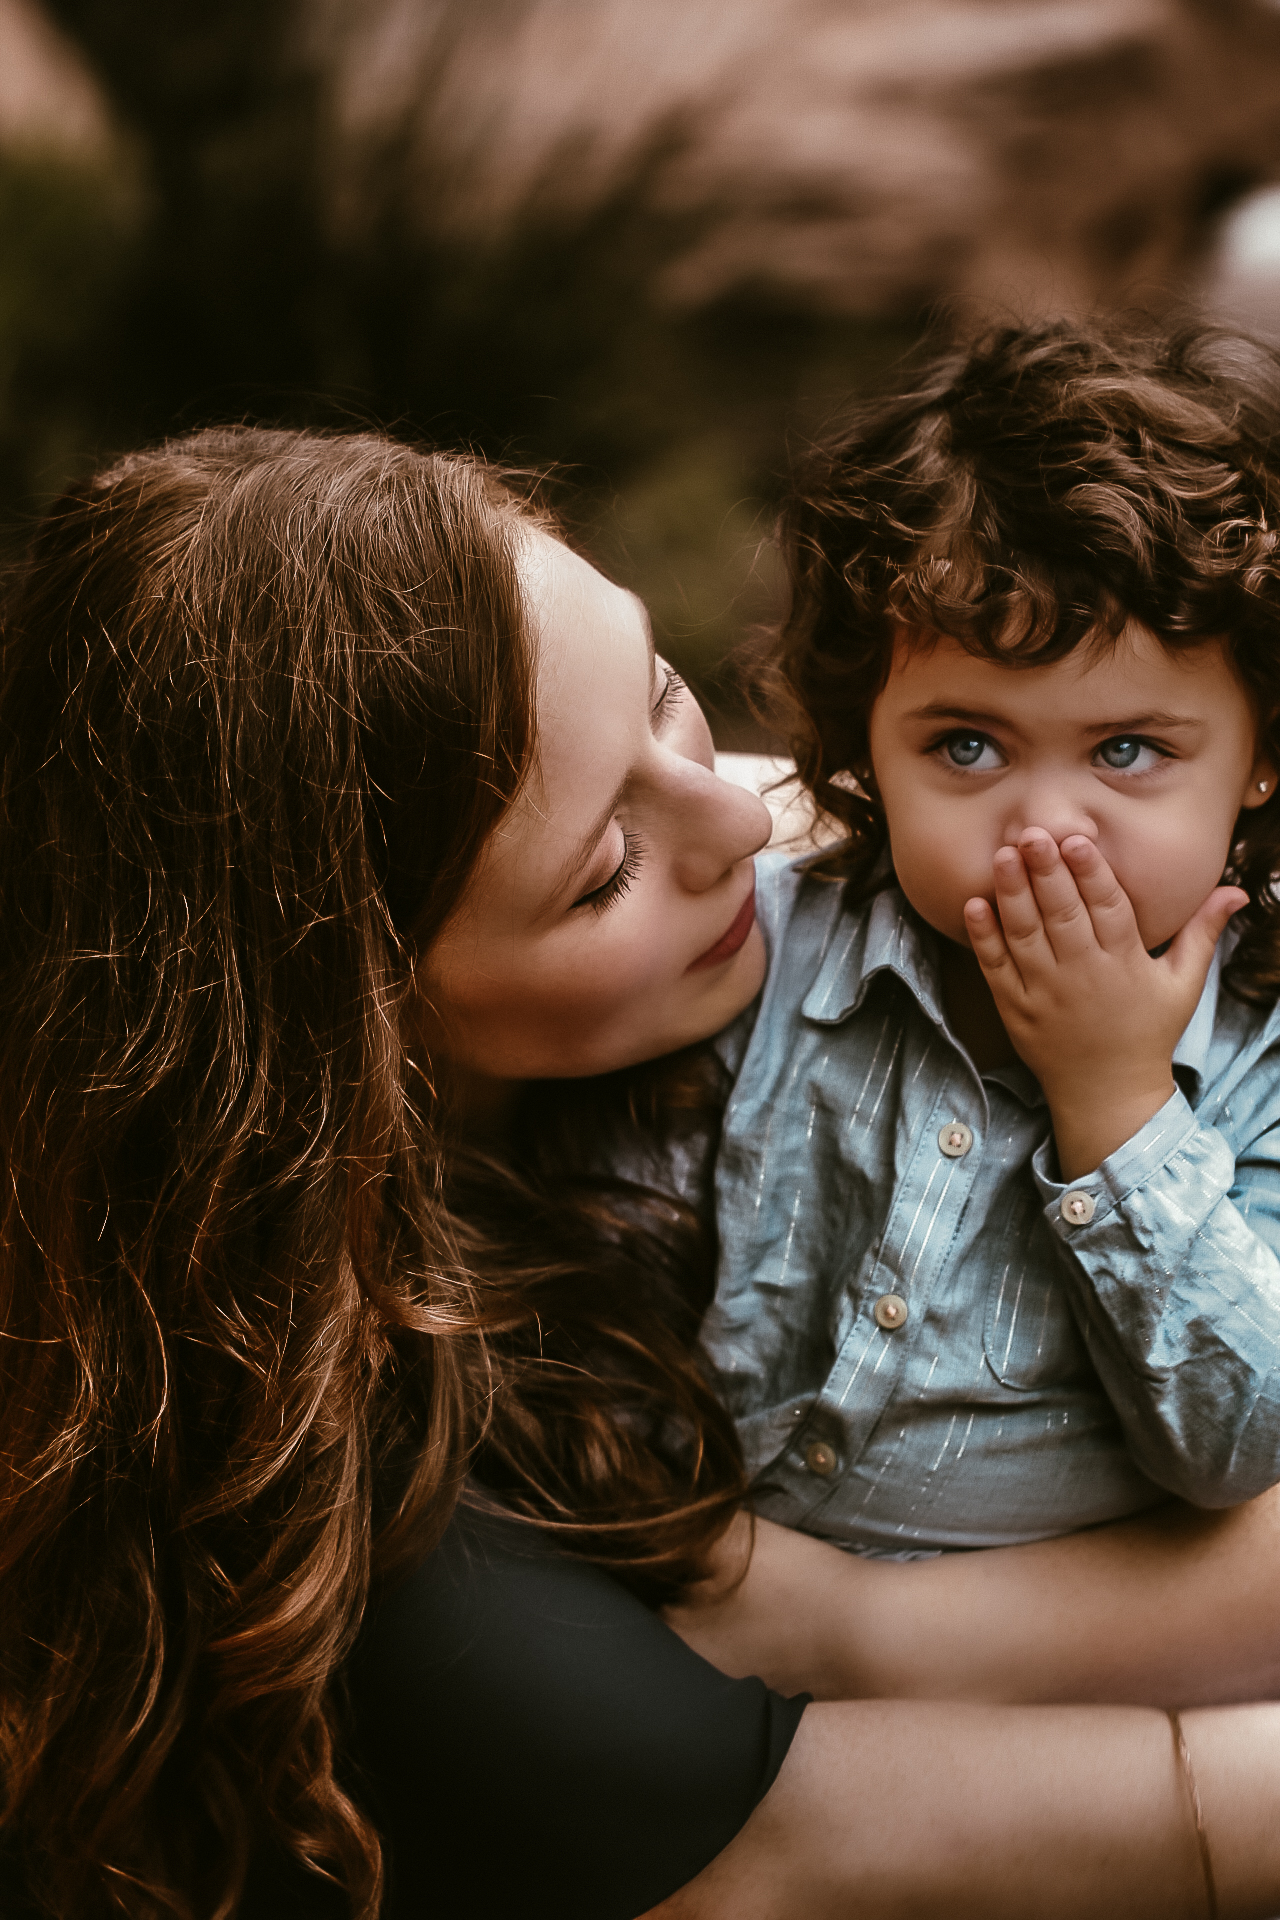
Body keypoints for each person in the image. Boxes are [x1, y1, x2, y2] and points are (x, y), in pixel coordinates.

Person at [5, 424, 1280, 1920]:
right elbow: (851, 1846)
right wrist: (869, 1632)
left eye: (667, 698)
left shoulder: (829, 900)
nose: (743, 817)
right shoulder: (348, 1513)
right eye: (604, 867)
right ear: (346, 1026)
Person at [687, 319, 1280, 1561]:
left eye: (1127, 751)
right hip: (692, 1580)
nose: (1046, 829)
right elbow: (602, 1250)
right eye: (966, 746)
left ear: (1257, 759)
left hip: (1029, 1676)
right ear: (868, 744)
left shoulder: (1259, 1057)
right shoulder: (760, 954)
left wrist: (1115, 1102)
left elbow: (1238, 1448)